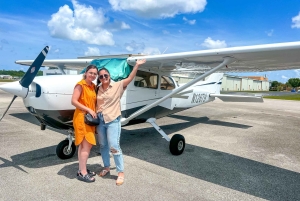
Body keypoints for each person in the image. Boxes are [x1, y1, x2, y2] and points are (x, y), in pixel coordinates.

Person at [96, 59, 146, 186]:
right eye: (101, 76)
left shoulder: (118, 85)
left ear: (109, 76)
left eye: (105, 75)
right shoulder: (97, 88)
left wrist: (137, 66)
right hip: (100, 121)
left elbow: (129, 78)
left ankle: (120, 172)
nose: (103, 78)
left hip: (113, 120)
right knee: (102, 146)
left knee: (114, 146)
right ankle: (107, 167)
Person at [71, 65, 98, 183]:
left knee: (83, 146)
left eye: (94, 74)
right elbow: (73, 101)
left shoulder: (93, 86)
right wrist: (89, 110)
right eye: (91, 73)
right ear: (86, 72)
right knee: (87, 146)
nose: (92, 75)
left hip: (88, 119)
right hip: (82, 118)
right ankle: (83, 173)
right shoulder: (80, 85)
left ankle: (81, 169)